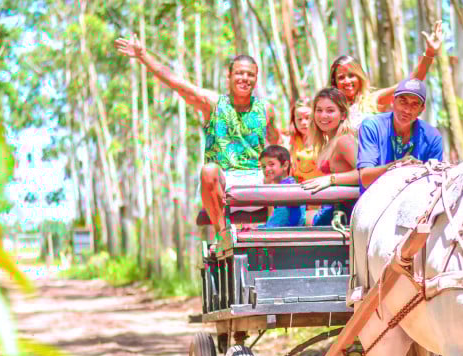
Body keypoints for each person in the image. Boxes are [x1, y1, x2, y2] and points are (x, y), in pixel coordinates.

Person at [113, 34, 280, 238]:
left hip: (256, 182)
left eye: (250, 75)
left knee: (278, 171)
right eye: (239, 73)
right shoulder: (213, 103)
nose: (244, 78)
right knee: (208, 170)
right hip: (223, 184)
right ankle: (223, 234)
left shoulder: (266, 109)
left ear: (256, 78)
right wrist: (143, 56)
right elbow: (177, 83)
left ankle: (275, 233)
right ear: (229, 77)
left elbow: (278, 142)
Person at [303, 78, 443, 194]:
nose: (407, 109)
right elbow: (365, 176)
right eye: (403, 101)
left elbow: (434, 182)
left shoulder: (433, 137)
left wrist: (331, 179)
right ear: (392, 101)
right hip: (375, 202)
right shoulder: (372, 126)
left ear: (421, 109)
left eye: (414, 104)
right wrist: (396, 166)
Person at [328, 20, 443, 131]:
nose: (347, 81)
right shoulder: (329, 109)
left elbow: (411, 83)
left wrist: (429, 54)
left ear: (359, 77)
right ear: (335, 82)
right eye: (341, 77)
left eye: (351, 75)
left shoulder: (372, 101)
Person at [300, 88, 358, 225]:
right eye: (319, 110)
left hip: (344, 214)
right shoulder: (327, 143)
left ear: (343, 115)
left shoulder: (344, 140)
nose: (323, 116)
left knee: (293, 220)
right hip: (330, 208)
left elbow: (365, 173)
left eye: (330, 110)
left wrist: (331, 179)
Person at [258, 145, 305, 228]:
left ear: (285, 165)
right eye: (264, 166)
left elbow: (282, 219)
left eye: (271, 164)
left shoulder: (286, 188)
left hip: (285, 231)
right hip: (287, 230)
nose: (266, 169)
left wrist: (262, 228)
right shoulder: (288, 184)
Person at [288, 97, 321, 183]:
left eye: (308, 118)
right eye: (299, 119)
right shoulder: (291, 142)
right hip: (299, 191)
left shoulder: (325, 140)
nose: (303, 122)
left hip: (321, 192)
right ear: (293, 120)